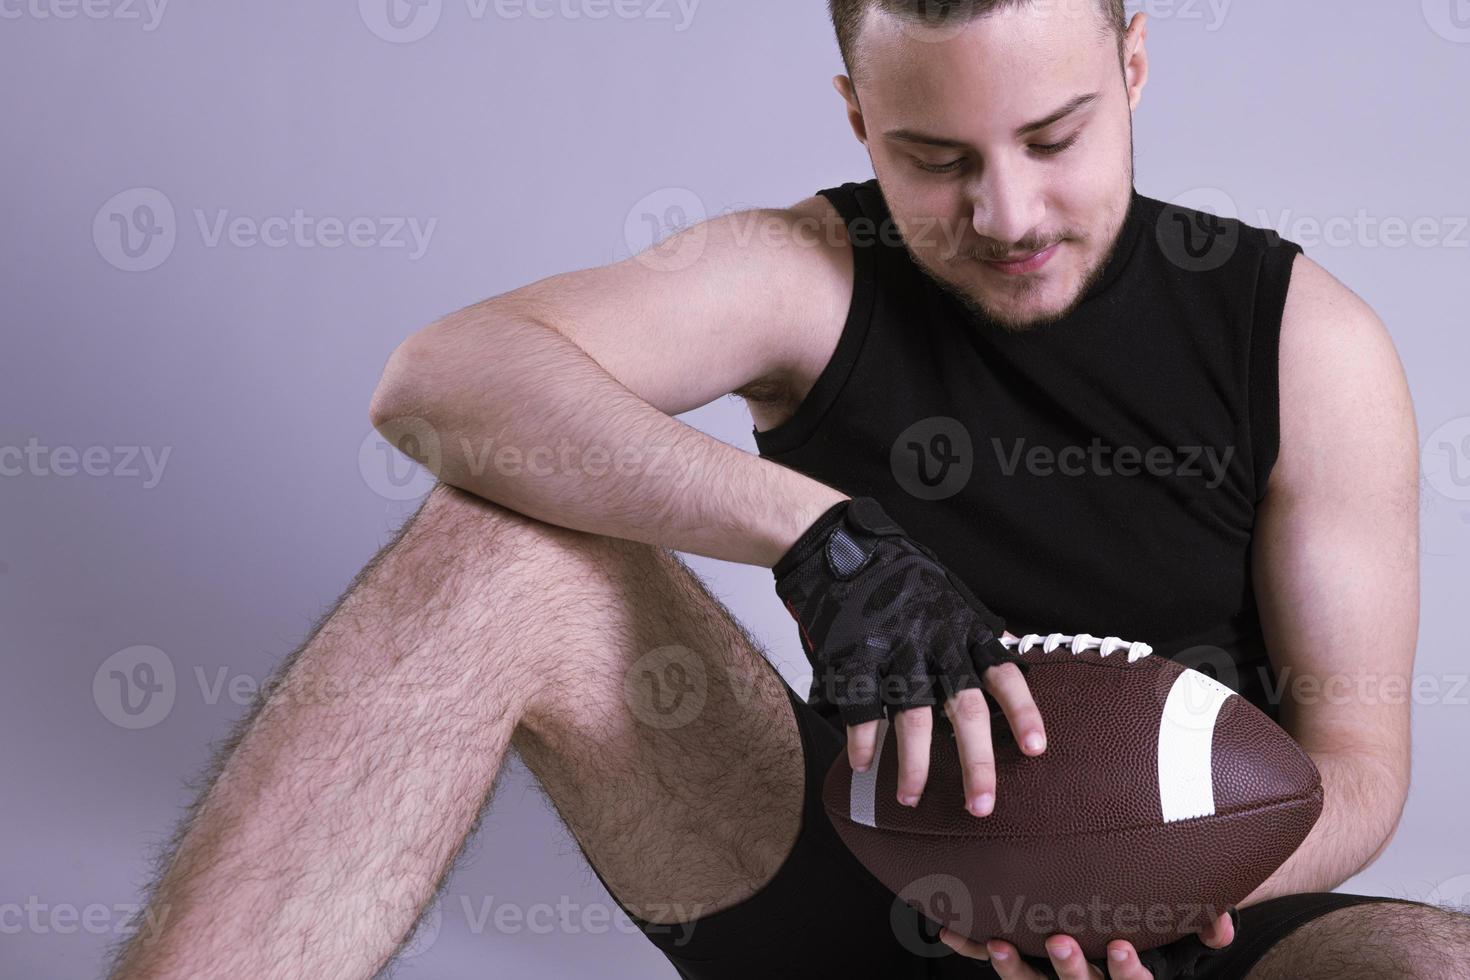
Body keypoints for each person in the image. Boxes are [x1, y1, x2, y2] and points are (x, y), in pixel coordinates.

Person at [108, 2, 1469, 978]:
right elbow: (441, 381)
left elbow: (1355, 778)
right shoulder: (804, 271)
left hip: (1188, 916)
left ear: (1131, 60)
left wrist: (1105, 887)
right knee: (497, 545)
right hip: (860, 877)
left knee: (1429, 959)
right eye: (934, 159)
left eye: (1053, 138)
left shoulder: (1300, 340)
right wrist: (819, 538)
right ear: (856, 114)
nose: (1002, 213)